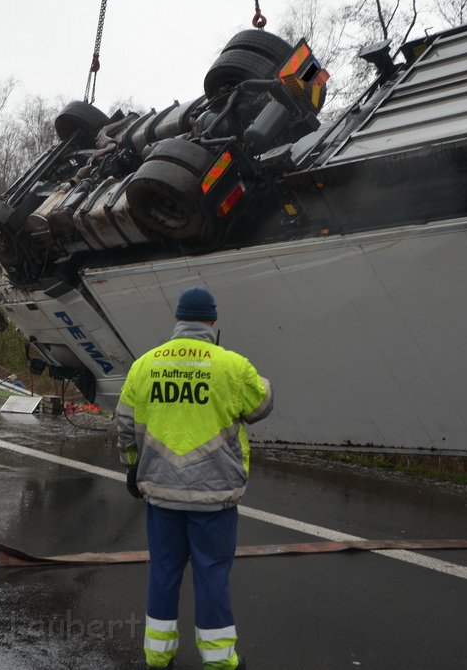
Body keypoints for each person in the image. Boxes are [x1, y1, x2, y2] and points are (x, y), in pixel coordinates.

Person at [115, 286, 273, 670]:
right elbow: (261, 406)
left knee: (164, 572)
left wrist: (131, 466)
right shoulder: (232, 366)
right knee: (212, 574)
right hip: (213, 495)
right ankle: (219, 661)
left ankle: (157, 655)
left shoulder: (145, 365)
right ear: (212, 322)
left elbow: (124, 424)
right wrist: (261, 382)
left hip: (161, 492)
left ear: (178, 321)